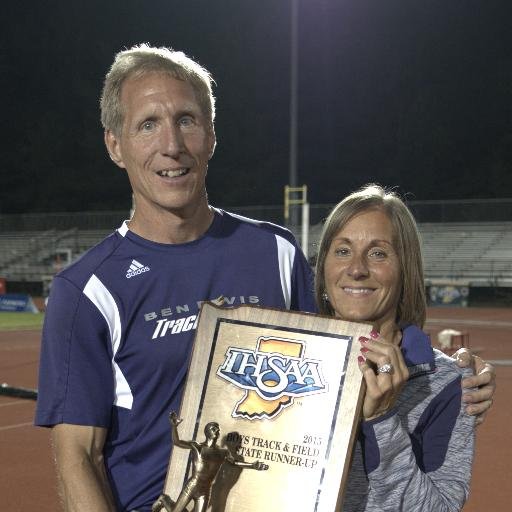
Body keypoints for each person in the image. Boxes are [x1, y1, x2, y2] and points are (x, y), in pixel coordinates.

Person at [34, 45, 494, 512]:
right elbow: (79, 455)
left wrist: (444, 369)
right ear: (115, 144)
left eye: (187, 120)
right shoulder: (87, 291)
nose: (171, 144)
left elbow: (345, 346)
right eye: (148, 124)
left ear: (211, 135)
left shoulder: (274, 252)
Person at [315, 184, 477, 511]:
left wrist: (383, 420)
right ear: (324, 268)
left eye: (378, 253)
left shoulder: (446, 382)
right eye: (343, 250)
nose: (357, 269)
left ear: (405, 269)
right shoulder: (286, 355)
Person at [152, 412, 268, 512]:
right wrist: (174, 426)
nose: (217, 430)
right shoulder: (197, 447)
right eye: (213, 428)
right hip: (192, 486)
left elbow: (235, 463)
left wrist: (252, 465)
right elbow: (177, 442)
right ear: (207, 432)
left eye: (218, 429)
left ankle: (165, 500)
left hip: (205, 490)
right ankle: (164, 499)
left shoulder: (223, 452)